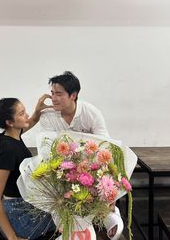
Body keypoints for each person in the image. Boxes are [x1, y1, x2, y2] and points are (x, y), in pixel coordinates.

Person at [39, 71, 122, 240]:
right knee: (47, 177)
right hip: (62, 164)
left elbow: (104, 144)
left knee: (109, 170)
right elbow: (47, 149)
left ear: (73, 95)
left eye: (59, 94)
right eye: (52, 93)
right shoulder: (47, 116)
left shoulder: (91, 113)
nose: (53, 98)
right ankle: (68, 224)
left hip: (89, 163)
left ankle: (108, 214)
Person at [0, 95, 55, 240]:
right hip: (19, 216)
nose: (27, 115)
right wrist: (12, 237)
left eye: (25, 111)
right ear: (10, 122)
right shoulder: (9, 150)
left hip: (23, 204)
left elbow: (30, 121)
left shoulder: (11, 134)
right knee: (65, 214)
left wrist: (38, 110)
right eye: (22, 113)